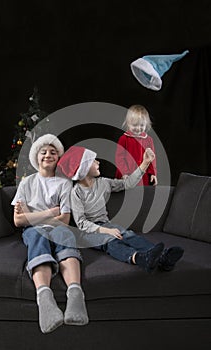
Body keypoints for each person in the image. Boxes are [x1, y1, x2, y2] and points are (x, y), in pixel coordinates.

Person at [57, 145, 184, 273]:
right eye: (94, 160)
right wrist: (106, 230)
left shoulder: (103, 183)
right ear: (84, 168)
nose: (98, 162)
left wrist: (145, 163)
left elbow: (127, 183)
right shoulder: (76, 193)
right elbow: (81, 223)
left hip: (105, 224)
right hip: (87, 233)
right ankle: (140, 259)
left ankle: (163, 258)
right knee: (110, 241)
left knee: (127, 234)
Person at [11, 134, 88, 334]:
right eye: (43, 152)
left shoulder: (63, 184)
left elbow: (65, 220)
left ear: (58, 157)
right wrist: (51, 212)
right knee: (37, 237)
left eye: (53, 152)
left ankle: (75, 295)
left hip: (58, 228)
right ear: (37, 157)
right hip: (34, 230)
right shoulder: (27, 183)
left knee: (65, 236)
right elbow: (18, 221)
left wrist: (33, 215)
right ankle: (45, 300)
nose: (48, 155)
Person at [115, 104, 158, 186]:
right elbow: (119, 158)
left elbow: (152, 159)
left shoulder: (149, 140)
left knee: (140, 195)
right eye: (135, 125)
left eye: (142, 125)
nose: (138, 128)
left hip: (143, 176)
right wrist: (124, 173)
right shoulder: (124, 139)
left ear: (146, 124)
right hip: (127, 174)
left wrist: (153, 173)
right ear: (128, 124)